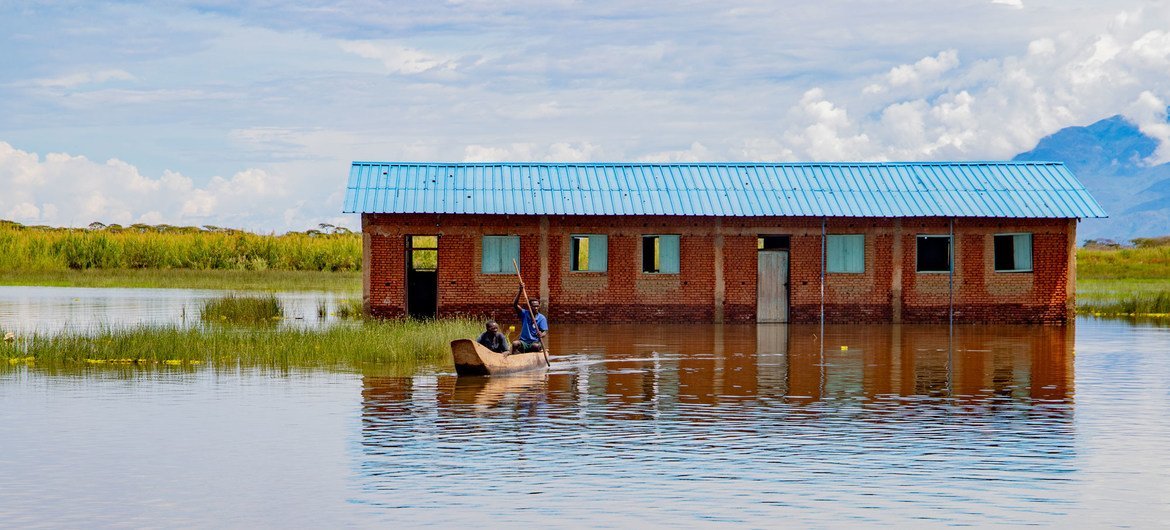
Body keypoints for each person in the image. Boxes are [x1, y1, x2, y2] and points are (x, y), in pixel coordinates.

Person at [511, 283, 548, 354]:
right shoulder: (524, 313)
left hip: (534, 342)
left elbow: (544, 332)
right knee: (515, 344)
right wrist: (520, 291)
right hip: (523, 342)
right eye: (534, 306)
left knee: (536, 346)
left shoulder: (541, 318)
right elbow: (515, 305)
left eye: (537, 306)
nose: (536, 308)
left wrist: (541, 335)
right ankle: (516, 356)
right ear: (529, 306)